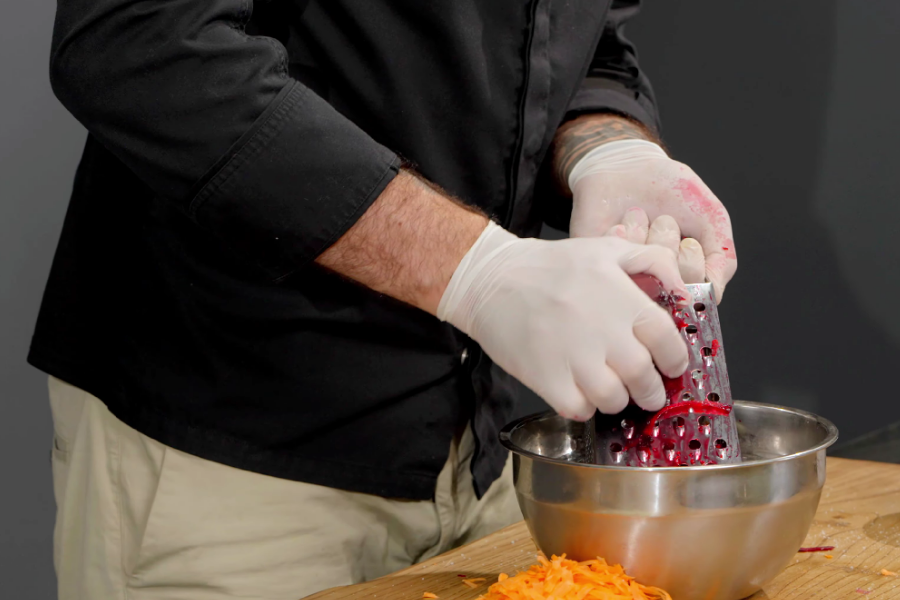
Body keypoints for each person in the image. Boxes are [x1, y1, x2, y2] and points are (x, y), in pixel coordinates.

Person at [33, 1, 737, 598]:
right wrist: (479, 271)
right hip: (234, 457)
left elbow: (578, 46)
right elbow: (139, 42)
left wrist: (607, 149)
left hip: (479, 461)